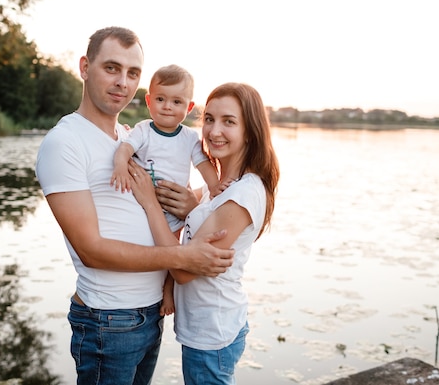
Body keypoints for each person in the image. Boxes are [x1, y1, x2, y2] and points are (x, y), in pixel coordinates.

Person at [34, 26, 234, 385]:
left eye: (133, 73)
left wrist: (193, 202)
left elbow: (167, 193)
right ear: (84, 66)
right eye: (111, 68)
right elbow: (91, 250)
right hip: (108, 320)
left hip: (150, 313)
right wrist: (182, 258)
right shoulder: (64, 143)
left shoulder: (131, 137)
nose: (122, 82)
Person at [128, 82, 280, 385]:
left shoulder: (243, 193)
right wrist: (189, 207)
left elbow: (184, 271)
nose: (214, 131)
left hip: (213, 332)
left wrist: (149, 202)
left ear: (250, 131)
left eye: (229, 121)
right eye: (209, 119)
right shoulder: (220, 187)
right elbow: (200, 223)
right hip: (208, 325)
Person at [110, 64, 221, 316]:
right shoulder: (143, 130)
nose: (167, 106)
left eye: (176, 101)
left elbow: (203, 163)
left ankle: (167, 291)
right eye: (160, 99)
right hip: (144, 207)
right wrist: (119, 165)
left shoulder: (189, 138)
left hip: (174, 209)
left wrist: (215, 187)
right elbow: (126, 149)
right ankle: (149, 286)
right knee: (158, 248)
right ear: (149, 101)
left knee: (176, 249)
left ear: (189, 107)